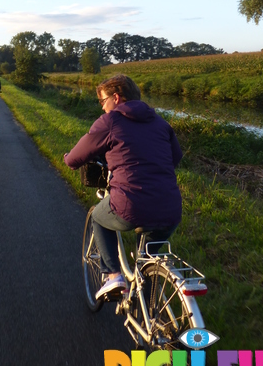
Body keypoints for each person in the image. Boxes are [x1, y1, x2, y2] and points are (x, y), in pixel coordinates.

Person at [64, 74, 183, 300]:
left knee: (99, 217)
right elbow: (175, 158)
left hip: (131, 204)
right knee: (147, 261)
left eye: (103, 101)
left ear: (116, 98)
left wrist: (68, 158)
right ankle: (150, 317)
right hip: (169, 207)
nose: (102, 107)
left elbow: (76, 157)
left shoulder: (110, 121)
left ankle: (112, 276)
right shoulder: (161, 123)